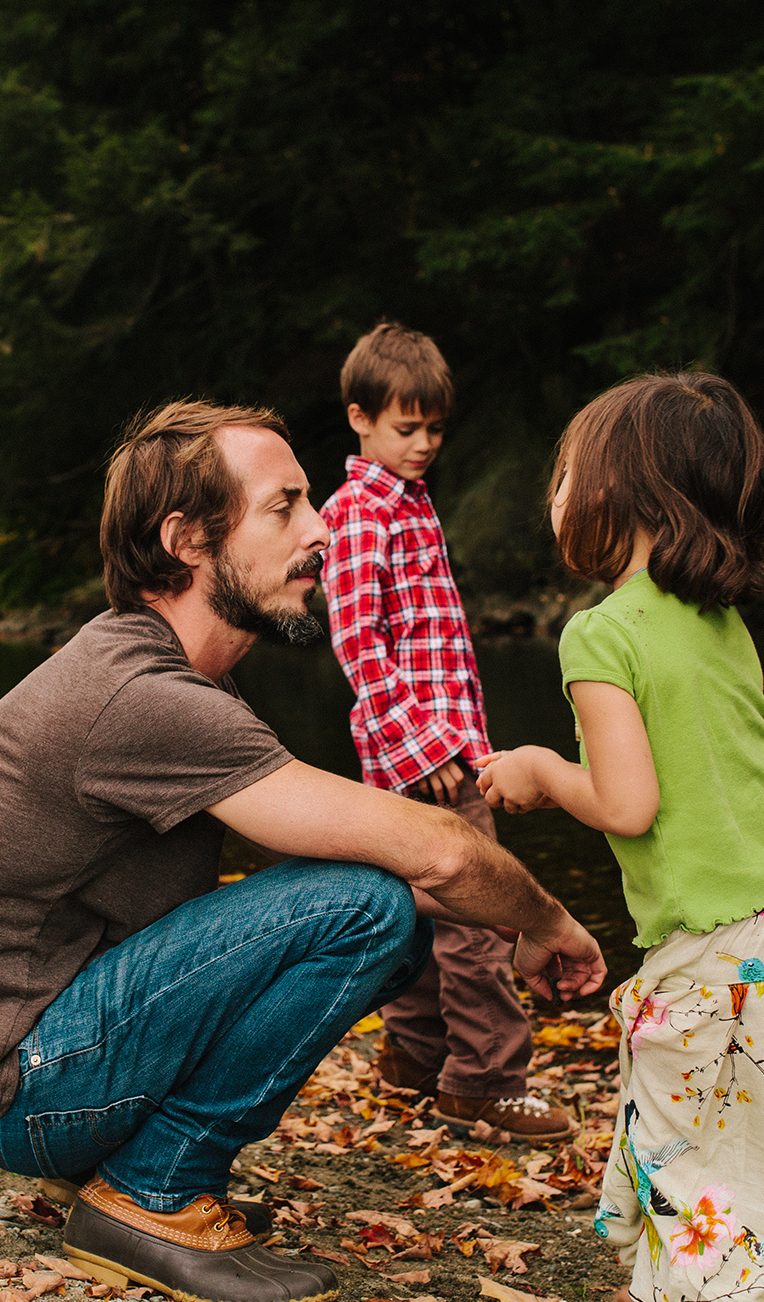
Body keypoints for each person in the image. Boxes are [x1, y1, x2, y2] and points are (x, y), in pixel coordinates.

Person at [0, 399, 607, 1302]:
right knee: (373, 906)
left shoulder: (180, 678)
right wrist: (545, 920)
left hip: (28, 1070)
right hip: (22, 1089)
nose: (323, 531)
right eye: (287, 507)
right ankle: (150, 1193)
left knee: (385, 909)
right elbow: (430, 844)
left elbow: (364, 865)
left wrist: (482, 910)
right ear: (188, 539)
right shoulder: (146, 697)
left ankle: (134, 1169)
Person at [475, 373, 764, 1302]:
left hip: (713, 952)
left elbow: (626, 804)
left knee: (694, 1141)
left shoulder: (599, 633)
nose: (553, 492)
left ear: (621, 496)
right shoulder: (718, 624)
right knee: (741, 1134)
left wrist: (536, 771)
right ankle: (678, 1298)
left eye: (566, 471)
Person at [318, 322, 574, 1144]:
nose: (425, 443)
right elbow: (360, 644)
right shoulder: (358, 513)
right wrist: (423, 751)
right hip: (419, 758)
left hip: (449, 745)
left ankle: (416, 1053)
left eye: (434, 428)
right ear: (360, 419)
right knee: (479, 918)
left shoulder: (409, 503)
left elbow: (431, 641)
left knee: (425, 911)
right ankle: (486, 1080)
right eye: (406, 428)